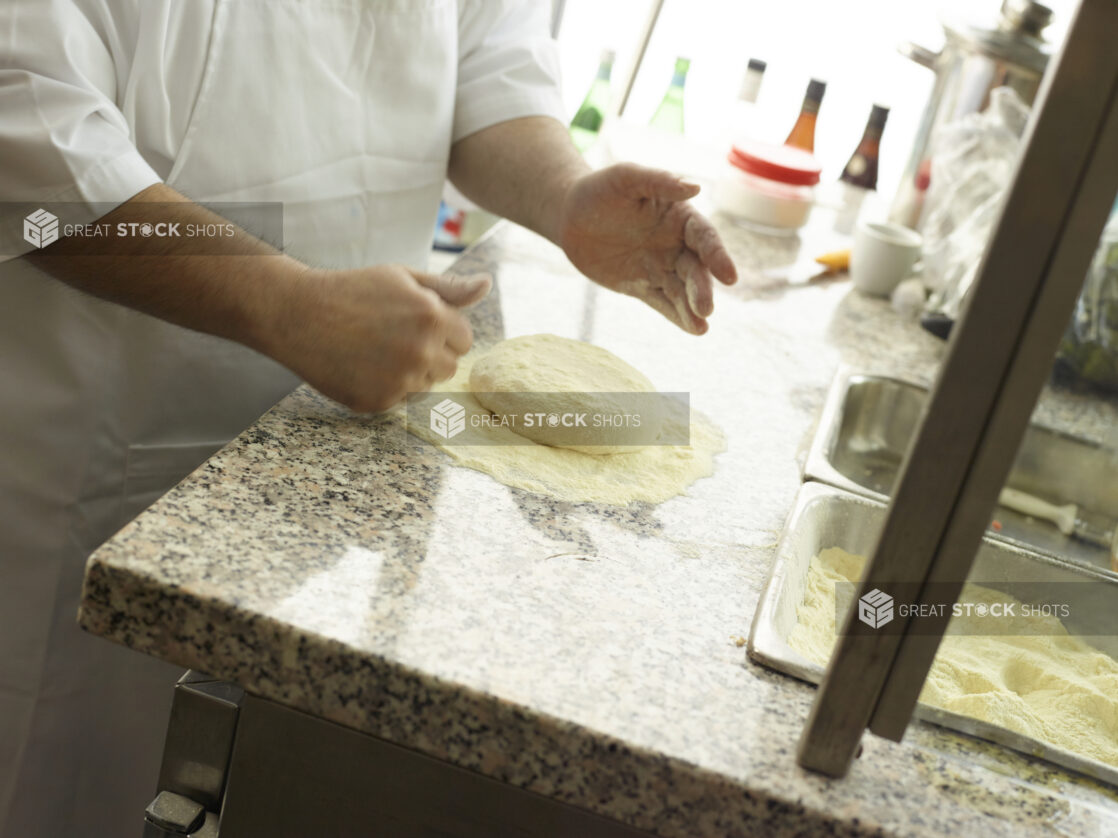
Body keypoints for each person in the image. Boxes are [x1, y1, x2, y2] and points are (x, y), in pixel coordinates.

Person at [0, 1, 737, 834]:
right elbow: (33, 148)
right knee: (66, 784)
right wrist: (284, 302)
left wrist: (564, 194)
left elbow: (485, 59)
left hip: (343, 443)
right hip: (101, 457)